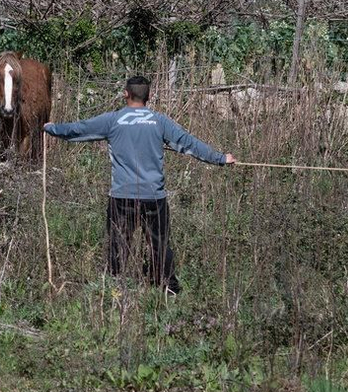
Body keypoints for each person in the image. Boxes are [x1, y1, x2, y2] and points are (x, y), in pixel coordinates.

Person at [44, 74, 234, 294]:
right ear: (149, 96)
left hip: (122, 197)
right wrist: (220, 158)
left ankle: (115, 291)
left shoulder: (112, 120)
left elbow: (78, 129)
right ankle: (169, 290)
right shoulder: (159, 121)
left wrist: (51, 128)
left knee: (118, 245)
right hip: (154, 197)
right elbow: (188, 143)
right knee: (159, 246)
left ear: (126, 93)